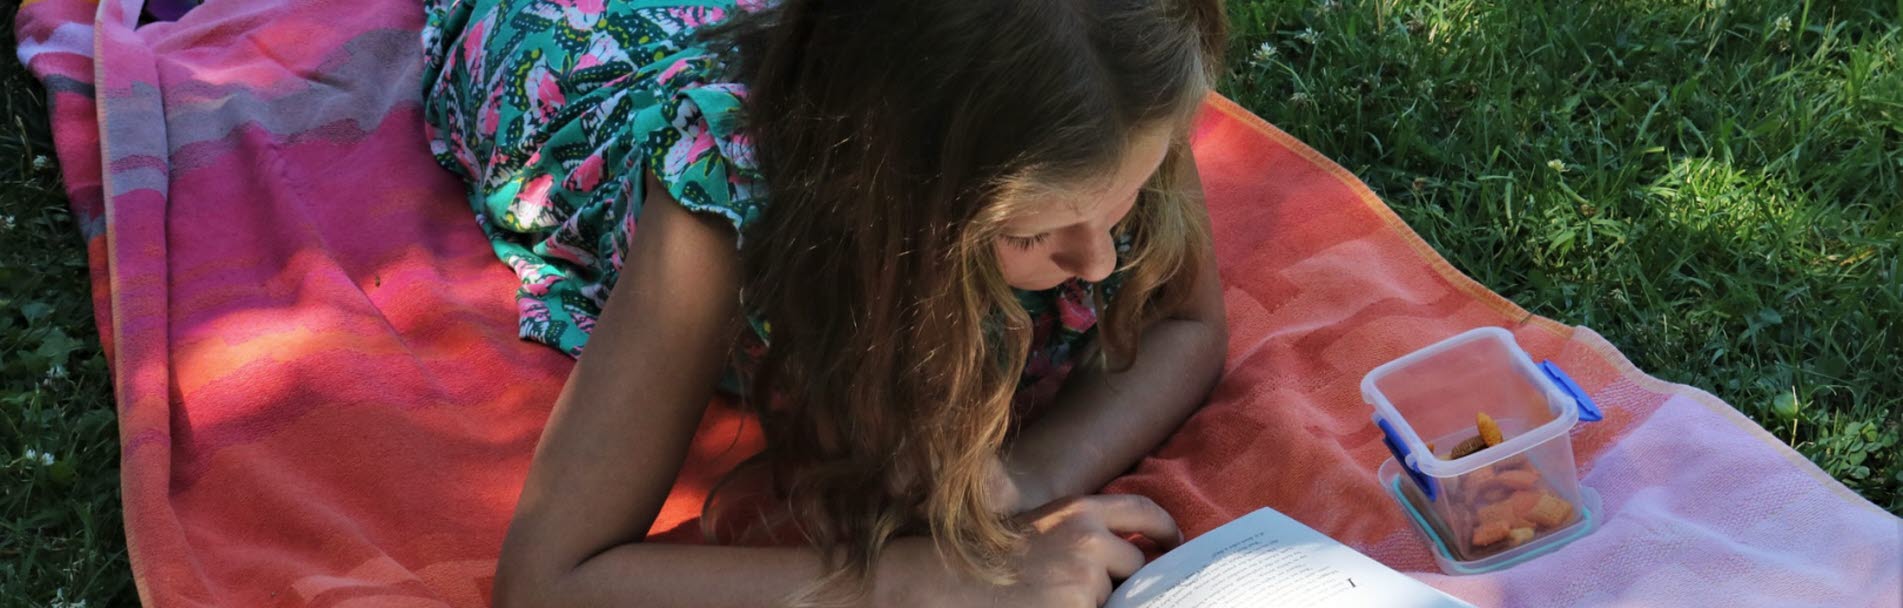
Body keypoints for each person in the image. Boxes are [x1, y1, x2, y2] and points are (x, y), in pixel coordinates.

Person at [420, 0, 1228, 604]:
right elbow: (549, 580)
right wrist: (928, 580)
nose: (1100, 257)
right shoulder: (720, 200)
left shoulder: (1104, 83)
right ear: (886, 207)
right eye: (1032, 233)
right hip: (556, 42)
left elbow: (1187, 324)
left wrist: (1027, 481)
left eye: (1122, 201)